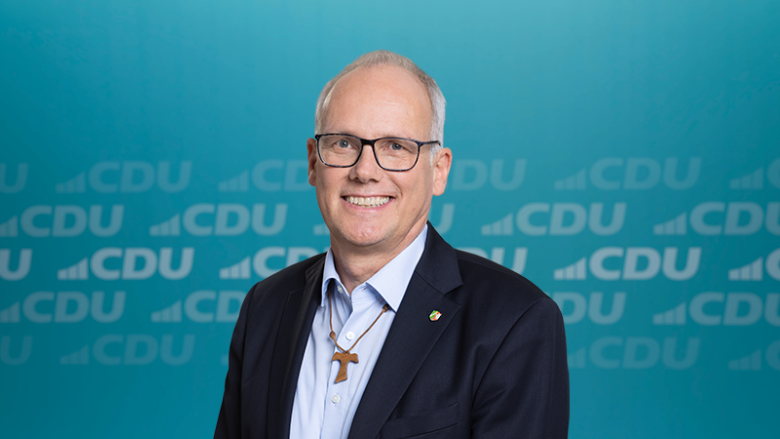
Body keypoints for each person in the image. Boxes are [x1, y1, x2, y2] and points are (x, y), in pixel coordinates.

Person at [214, 50, 569, 439]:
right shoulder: (265, 306)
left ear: (439, 170)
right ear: (314, 163)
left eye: (396, 146)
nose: (365, 171)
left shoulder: (515, 320)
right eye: (344, 143)